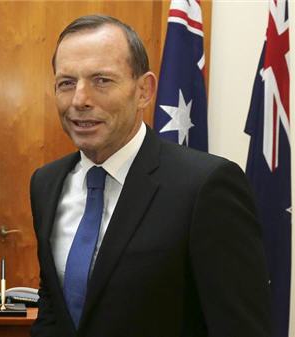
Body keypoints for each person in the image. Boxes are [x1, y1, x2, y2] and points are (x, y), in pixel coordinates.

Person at [30, 15, 270, 337]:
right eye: (66, 83)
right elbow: (53, 308)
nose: (80, 100)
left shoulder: (206, 186)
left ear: (144, 90)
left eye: (102, 80)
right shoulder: (46, 184)